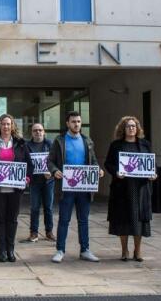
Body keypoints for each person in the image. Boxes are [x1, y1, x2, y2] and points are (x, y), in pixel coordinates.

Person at [49, 111, 104, 263]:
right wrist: (55, 171)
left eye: (79, 121)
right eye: (73, 121)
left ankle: (85, 250)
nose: (76, 124)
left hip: (84, 188)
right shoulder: (59, 141)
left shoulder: (87, 141)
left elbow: (93, 161)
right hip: (66, 188)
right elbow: (50, 161)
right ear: (67, 123)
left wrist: (98, 169)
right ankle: (60, 250)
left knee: (83, 220)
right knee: (64, 220)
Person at [0, 114, 32, 263]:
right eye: (3, 124)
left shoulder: (21, 144)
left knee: (12, 220)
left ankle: (11, 250)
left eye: (9, 124)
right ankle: (1, 251)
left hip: (15, 189)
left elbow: (29, 164)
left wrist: (27, 178)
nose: (6, 127)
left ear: (13, 126)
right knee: (0, 219)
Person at [104, 116, 157, 262]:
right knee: (123, 219)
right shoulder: (116, 145)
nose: (131, 128)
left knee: (139, 219)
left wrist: (153, 174)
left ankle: (138, 251)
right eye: (128, 126)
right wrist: (116, 172)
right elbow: (108, 163)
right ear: (123, 129)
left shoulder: (145, 145)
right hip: (122, 188)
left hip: (140, 189)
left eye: (133, 126)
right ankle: (124, 251)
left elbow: (152, 164)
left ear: (137, 128)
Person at [23, 123, 55, 243]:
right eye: (35, 130)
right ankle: (34, 233)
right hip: (34, 182)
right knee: (34, 208)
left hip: (48, 181)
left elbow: (55, 160)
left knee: (48, 207)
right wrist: (26, 176)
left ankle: (49, 232)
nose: (38, 132)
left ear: (44, 131)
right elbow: (24, 161)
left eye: (40, 130)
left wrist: (51, 171)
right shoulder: (27, 145)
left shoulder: (50, 144)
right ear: (32, 133)